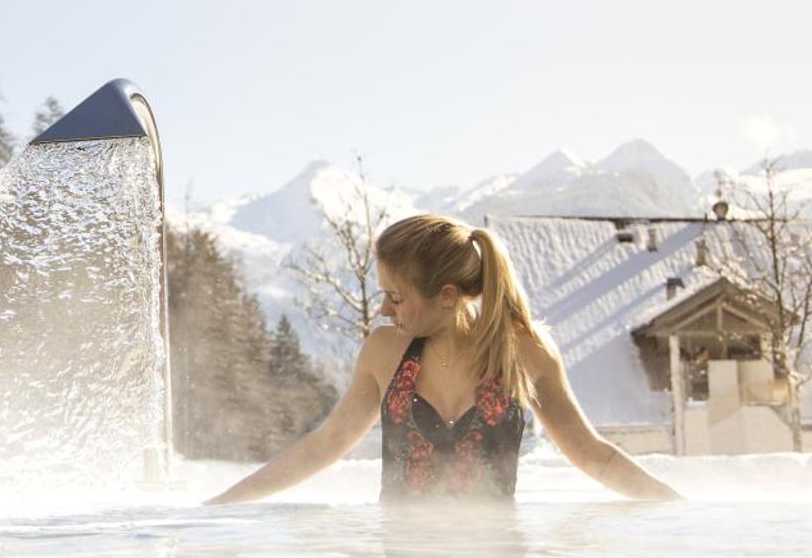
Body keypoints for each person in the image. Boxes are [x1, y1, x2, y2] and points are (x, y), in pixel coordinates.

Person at [207, 214, 680, 504]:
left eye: (396, 296)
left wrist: (682, 510)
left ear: (448, 296)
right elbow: (324, 445)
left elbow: (594, 457)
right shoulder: (385, 351)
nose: (384, 309)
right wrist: (224, 505)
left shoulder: (523, 351)